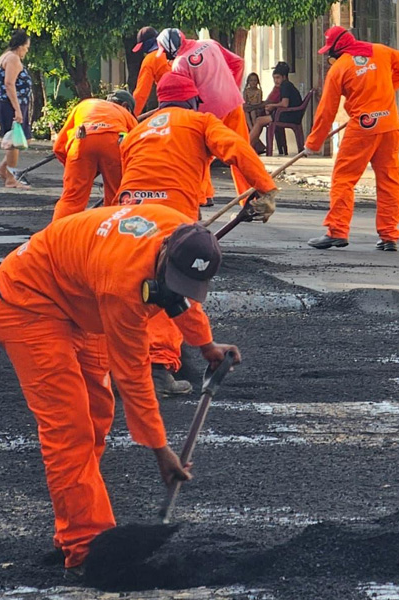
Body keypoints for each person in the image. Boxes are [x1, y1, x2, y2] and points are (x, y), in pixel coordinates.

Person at [0, 202, 242, 574]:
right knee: (69, 429)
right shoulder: (123, 283)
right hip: (30, 302)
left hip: (80, 298)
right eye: (173, 277)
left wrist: (205, 345)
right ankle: (86, 545)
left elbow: (176, 297)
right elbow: (134, 376)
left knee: (96, 418)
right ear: (165, 252)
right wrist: (160, 450)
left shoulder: (181, 232)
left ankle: (73, 523)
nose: (177, 287)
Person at [114, 72, 277, 395]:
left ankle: (119, 365)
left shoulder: (137, 130)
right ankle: (159, 368)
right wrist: (265, 187)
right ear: (193, 100)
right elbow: (236, 148)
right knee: (170, 286)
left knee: (131, 284)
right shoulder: (200, 121)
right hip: (170, 212)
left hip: (128, 211)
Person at [305, 26, 399, 251]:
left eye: (330, 51)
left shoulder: (339, 69)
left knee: (344, 179)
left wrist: (313, 144)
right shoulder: (381, 51)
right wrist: (386, 92)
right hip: (389, 125)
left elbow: (326, 111)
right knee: (389, 181)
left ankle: (337, 231)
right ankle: (389, 236)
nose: (329, 56)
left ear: (337, 48)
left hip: (362, 128)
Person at [156, 28, 253, 200]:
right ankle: (249, 199)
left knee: (200, 156)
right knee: (241, 151)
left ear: (170, 49)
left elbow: (184, 95)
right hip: (233, 104)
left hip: (209, 115)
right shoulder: (211, 44)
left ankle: (202, 196)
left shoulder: (180, 63)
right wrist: (232, 87)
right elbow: (238, 63)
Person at [51, 90, 138, 221]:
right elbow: (137, 147)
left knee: (72, 198)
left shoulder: (85, 104)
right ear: (126, 106)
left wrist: (79, 170)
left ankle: (57, 237)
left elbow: (59, 147)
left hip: (82, 139)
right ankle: (112, 233)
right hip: (114, 142)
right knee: (117, 196)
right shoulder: (125, 114)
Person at [0, 30, 33, 189]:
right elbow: (9, 84)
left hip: (9, 103)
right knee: (14, 143)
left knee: (23, 139)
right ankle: (10, 178)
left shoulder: (5, 56)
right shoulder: (13, 58)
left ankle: (2, 168)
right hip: (12, 104)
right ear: (20, 46)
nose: (26, 51)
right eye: (26, 47)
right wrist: (17, 109)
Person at [248, 62, 303, 153]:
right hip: (289, 114)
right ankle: (250, 146)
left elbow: (284, 104)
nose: (275, 81)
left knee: (259, 120)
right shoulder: (286, 85)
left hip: (290, 115)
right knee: (259, 120)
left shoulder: (285, 85)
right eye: (274, 78)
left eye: (278, 78)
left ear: (284, 77)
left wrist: (272, 106)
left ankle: (245, 146)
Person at [130, 26, 171, 117]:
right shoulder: (174, 52)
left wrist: (131, 116)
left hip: (170, 102)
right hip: (193, 99)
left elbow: (141, 93)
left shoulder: (150, 59)